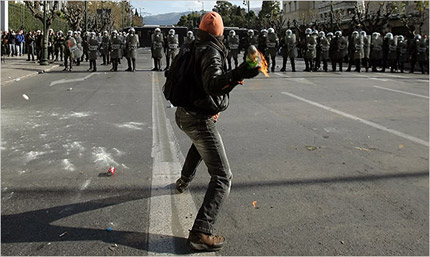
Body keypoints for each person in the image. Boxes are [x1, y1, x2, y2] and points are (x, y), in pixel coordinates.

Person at [174, 11, 259, 251]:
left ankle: (183, 181)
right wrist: (240, 73)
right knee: (223, 176)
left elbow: (194, 81)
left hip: (184, 113)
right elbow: (213, 84)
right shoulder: (210, 50)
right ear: (220, 32)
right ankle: (201, 231)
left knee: (200, 146)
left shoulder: (192, 45)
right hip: (198, 118)